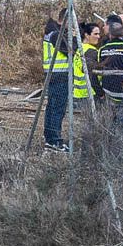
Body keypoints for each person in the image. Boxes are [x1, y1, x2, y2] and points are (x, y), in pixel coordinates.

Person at [40, 16, 74, 152]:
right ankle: (54, 141)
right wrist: (75, 38)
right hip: (59, 75)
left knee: (52, 108)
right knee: (57, 109)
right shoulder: (56, 35)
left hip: (53, 74)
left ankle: (50, 137)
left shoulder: (51, 32)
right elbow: (69, 50)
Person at [96, 14, 123, 126]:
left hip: (108, 91)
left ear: (110, 34)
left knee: (110, 123)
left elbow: (99, 69)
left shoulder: (102, 50)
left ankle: (111, 141)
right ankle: (121, 142)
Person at [70, 19, 103, 118]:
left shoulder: (80, 49)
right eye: (95, 34)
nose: (98, 36)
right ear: (87, 35)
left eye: (99, 34)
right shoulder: (91, 51)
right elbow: (92, 75)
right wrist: (100, 93)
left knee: (87, 120)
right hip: (91, 93)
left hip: (79, 93)